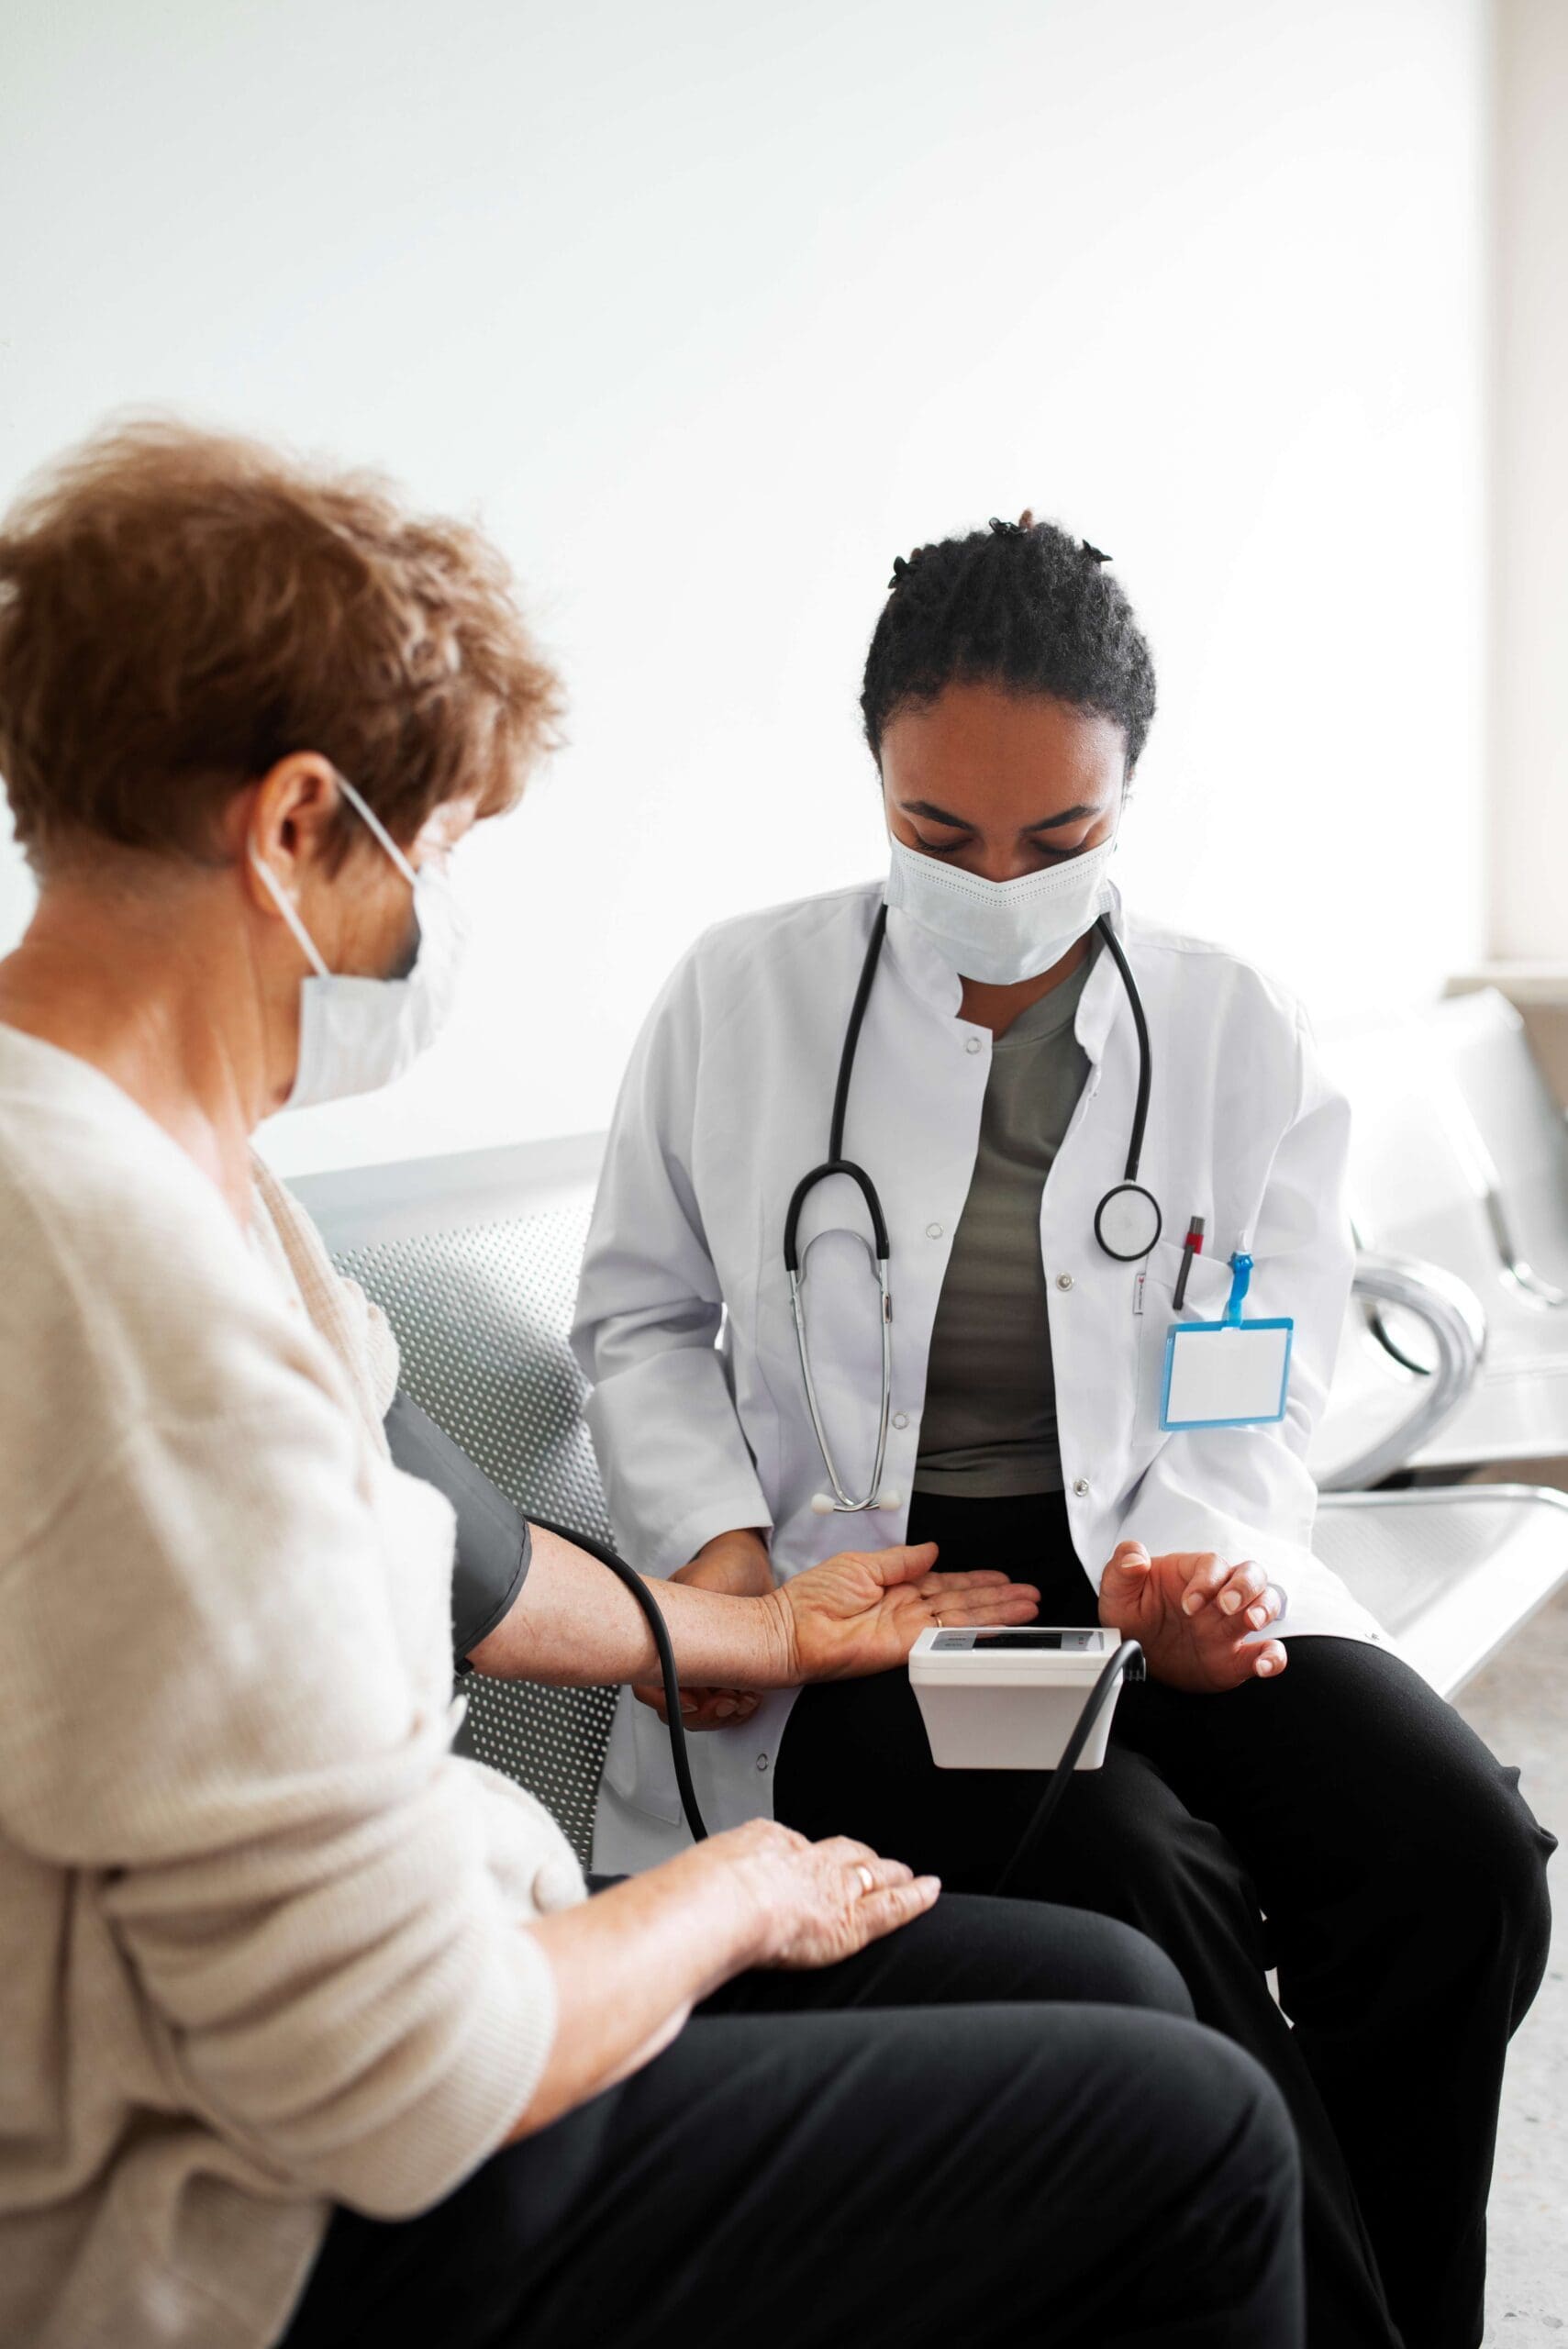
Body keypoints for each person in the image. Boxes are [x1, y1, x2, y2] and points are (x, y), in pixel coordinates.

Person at [0, 430, 1306, 2349]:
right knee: (1198, 2131)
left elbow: (423, 1531)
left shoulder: (181, 1170)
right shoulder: (121, 1278)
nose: (428, 922)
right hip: (258, 2214)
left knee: (1117, 1973)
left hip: (416, 1999)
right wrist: (731, 1895)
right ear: (295, 830)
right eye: (432, 851)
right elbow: (393, 2069)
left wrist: (733, 1617)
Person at [572, 511, 1557, 2349]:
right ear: (875, 771)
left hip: (1151, 1558)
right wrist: (719, 1557)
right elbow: (641, 1309)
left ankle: (1395, 2302)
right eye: (940, 834)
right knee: (1131, 1865)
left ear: (1134, 791)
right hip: (868, 1600)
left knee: (1456, 1859)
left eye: (1062, 838)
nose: (999, 880)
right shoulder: (738, 996)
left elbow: (1256, 1362)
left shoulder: (1233, 1029)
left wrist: (1188, 1568)